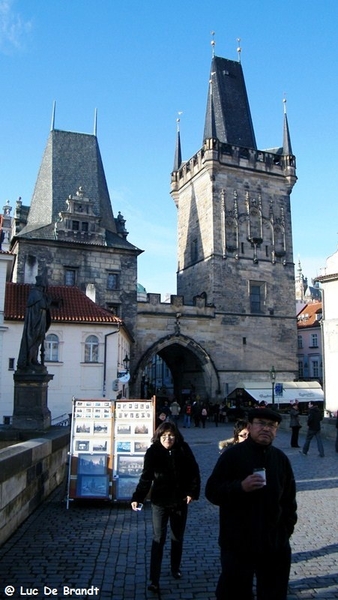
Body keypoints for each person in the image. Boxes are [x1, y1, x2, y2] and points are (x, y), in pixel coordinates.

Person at [205, 407, 297, 600]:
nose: (266, 429)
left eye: (272, 426)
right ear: (249, 426)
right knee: (235, 593)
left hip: (274, 543)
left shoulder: (280, 459)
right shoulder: (232, 456)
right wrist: (240, 487)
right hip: (238, 542)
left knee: (274, 593)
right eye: (261, 424)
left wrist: (284, 531)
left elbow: (289, 500)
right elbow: (212, 491)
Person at [131, 421, 200, 593]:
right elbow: (146, 477)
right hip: (160, 501)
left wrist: (192, 492)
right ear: (159, 437)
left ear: (176, 436)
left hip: (180, 500)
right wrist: (138, 497)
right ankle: (154, 579)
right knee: (158, 539)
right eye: (164, 436)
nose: (168, 439)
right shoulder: (153, 452)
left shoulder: (183, 449)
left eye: (171, 435)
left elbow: (194, 472)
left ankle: (175, 568)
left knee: (177, 537)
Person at [17, 275, 51, 369]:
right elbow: (42, 305)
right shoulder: (35, 293)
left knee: (38, 340)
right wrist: (48, 301)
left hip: (40, 321)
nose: (44, 288)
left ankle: (34, 360)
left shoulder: (40, 294)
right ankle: (29, 360)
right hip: (35, 323)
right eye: (43, 286)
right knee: (34, 341)